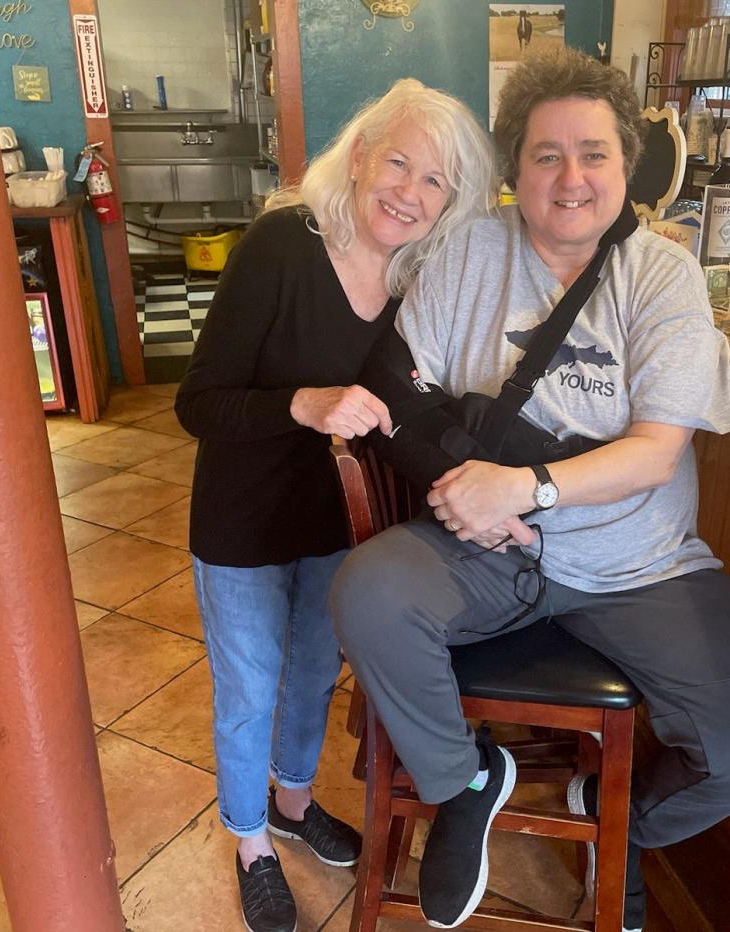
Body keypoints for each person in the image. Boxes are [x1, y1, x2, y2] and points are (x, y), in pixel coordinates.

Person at [331, 48, 730, 931]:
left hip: (640, 564)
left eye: (594, 153)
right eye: (546, 154)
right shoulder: (471, 249)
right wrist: (467, 491)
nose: (572, 177)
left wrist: (524, 488)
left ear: (628, 167)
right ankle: (467, 779)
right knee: (366, 590)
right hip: (487, 552)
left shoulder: (664, 275)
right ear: (515, 170)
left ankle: (611, 818)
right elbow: (392, 386)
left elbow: (656, 454)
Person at [174, 78, 494, 932]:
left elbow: (399, 422)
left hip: (335, 525)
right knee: (249, 688)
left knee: (314, 676)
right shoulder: (284, 245)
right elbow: (197, 403)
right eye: (398, 162)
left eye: (435, 182)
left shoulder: (416, 281)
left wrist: (472, 486)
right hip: (240, 521)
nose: (409, 192)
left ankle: (291, 800)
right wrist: (301, 404)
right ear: (357, 158)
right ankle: (250, 842)